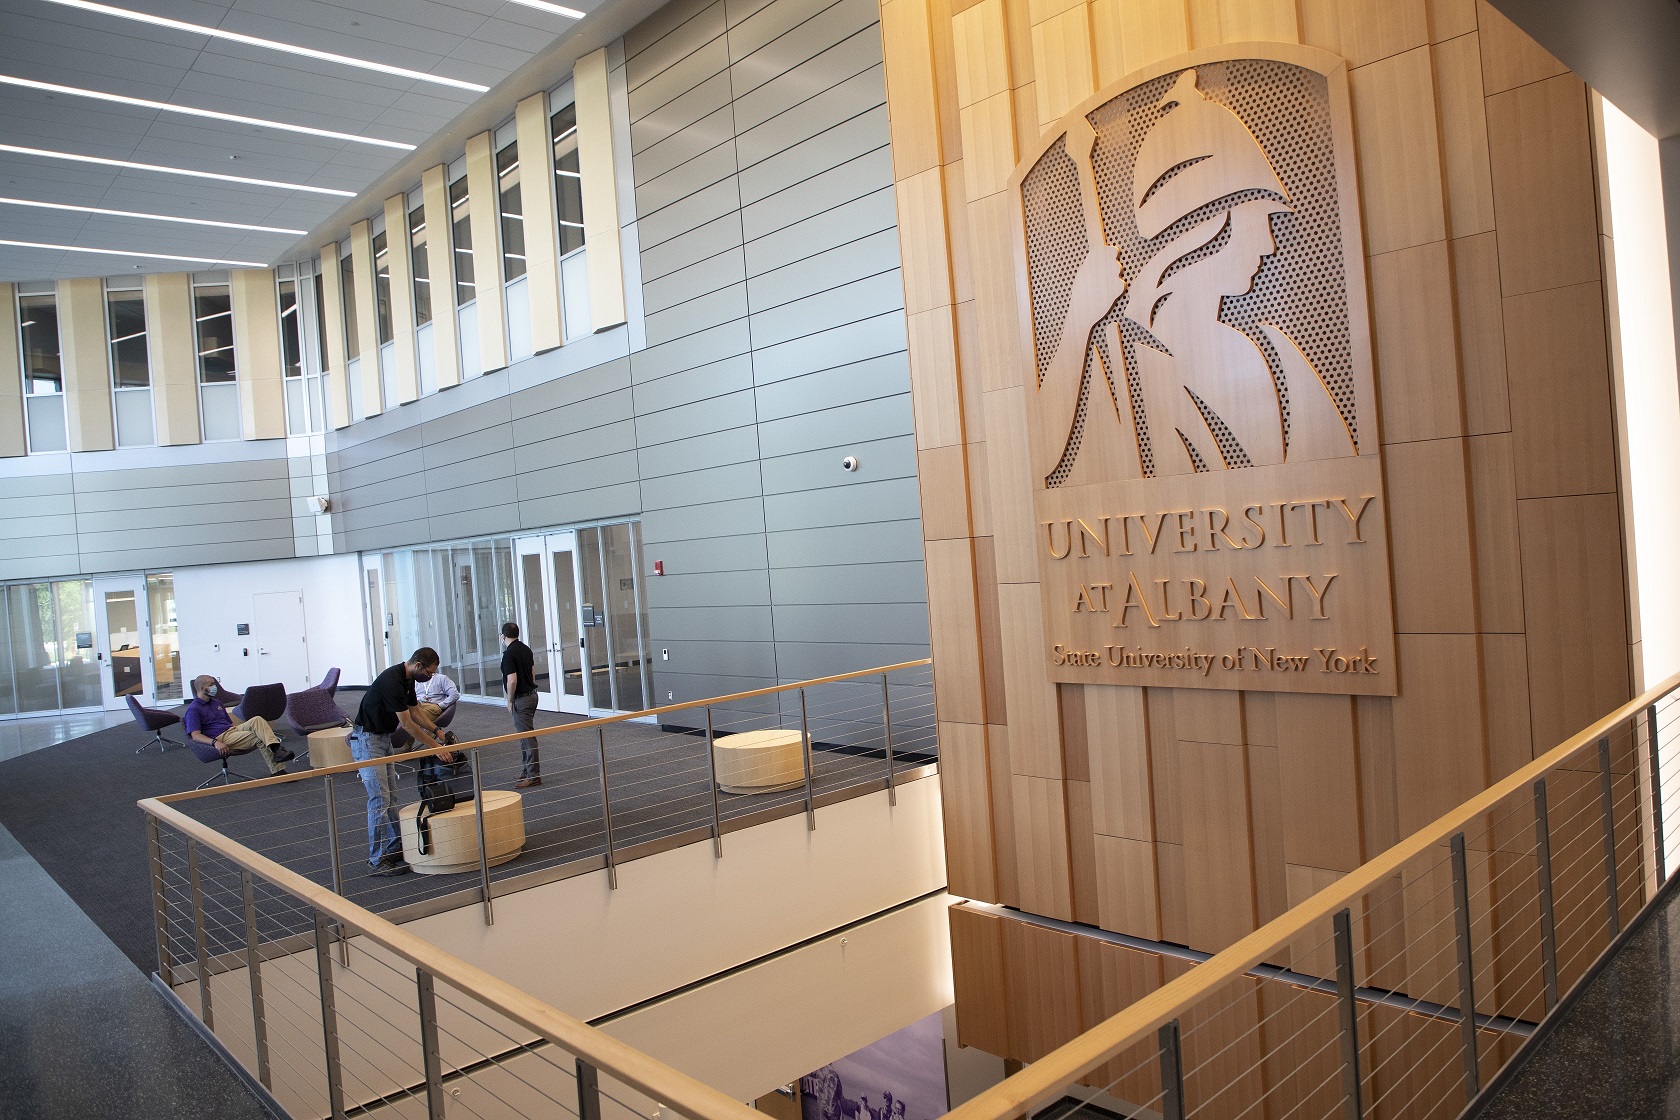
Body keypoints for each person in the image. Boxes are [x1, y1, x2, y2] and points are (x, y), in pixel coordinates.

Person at [351, 647, 454, 876]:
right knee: (379, 799)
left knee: (390, 797)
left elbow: (415, 710)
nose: (430, 677)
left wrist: (437, 731)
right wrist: (435, 748)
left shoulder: (406, 679)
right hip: (367, 741)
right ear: (417, 665)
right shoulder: (392, 681)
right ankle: (376, 861)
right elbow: (407, 724)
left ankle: (392, 848)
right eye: (429, 672)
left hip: (382, 738)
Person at [183, 674, 293, 776]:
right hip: (220, 737)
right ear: (202, 688)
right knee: (259, 737)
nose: (215, 687)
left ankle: (277, 750)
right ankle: (278, 770)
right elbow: (195, 735)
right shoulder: (193, 709)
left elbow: (229, 723)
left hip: (231, 730)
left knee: (257, 719)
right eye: (211, 685)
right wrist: (215, 743)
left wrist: (239, 731)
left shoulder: (217, 703)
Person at [500, 622, 540, 787]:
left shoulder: (509, 654)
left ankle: (533, 775)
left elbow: (512, 680)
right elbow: (532, 673)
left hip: (521, 699)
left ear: (503, 637)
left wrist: (510, 701)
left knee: (526, 737)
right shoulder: (525, 649)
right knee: (524, 736)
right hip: (531, 696)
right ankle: (527, 770)